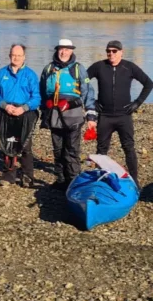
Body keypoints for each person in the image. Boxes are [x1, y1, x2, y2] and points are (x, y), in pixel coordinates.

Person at [87, 40, 153, 188]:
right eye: (108, 51)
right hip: (105, 116)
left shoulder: (129, 67)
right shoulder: (99, 66)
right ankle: (100, 179)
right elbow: (82, 82)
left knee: (128, 147)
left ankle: (134, 181)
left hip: (124, 116)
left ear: (121, 52)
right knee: (101, 149)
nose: (111, 54)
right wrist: (92, 101)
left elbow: (149, 83)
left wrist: (137, 103)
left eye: (114, 51)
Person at [40, 38, 97, 189]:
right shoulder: (48, 69)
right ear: (57, 50)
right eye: (61, 49)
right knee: (58, 149)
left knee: (71, 150)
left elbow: (87, 92)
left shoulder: (78, 69)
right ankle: (60, 180)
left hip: (73, 115)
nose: (63, 52)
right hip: (54, 115)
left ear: (72, 51)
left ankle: (73, 182)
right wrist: (43, 110)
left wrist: (91, 115)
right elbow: (42, 92)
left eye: (67, 49)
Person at [0, 44, 41, 187]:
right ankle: (8, 175)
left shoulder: (30, 75)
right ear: (9, 55)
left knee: (25, 145)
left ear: (24, 56)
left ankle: (27, 176)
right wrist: (4, 105)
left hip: (24, 112)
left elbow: (36, 97)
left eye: (19, 55)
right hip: (6, 111)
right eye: (13, 55)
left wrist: (24, 108)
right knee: (8, 143)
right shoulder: (1, 73)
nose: (16, 57)